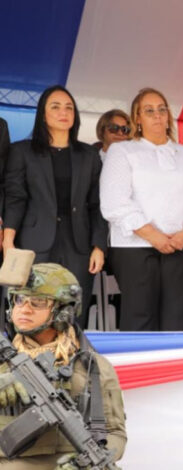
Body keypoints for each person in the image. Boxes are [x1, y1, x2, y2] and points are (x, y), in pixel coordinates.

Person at [100, 87, 183, 331]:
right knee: (140, 318)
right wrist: (155, 236)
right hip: (136, 249)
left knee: (179, 318)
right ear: (137, 118)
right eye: (149, 110)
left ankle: (177, 369)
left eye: (162, 109)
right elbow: (114, 202)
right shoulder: (122, 151)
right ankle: (139, 369)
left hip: (182, 246)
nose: (157, 115)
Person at [0, 262, 126, 468]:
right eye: (19, 299)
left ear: (63, 311)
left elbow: (115, 433)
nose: (24, 309)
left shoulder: (93, 367)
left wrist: (85, 464)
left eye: (38, 302)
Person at [3, 85, 108, 329]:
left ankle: (69, 363)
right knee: (30, 309)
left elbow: (96, 204)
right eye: (56, 106)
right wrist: (9, 241)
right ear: (43, 114)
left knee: (72, 311)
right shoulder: (22, 151)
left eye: (69, 107)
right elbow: (15, 198)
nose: (64, 112)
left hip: (78, 245)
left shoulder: (88, 155)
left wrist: (99, 246)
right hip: (34, 242)